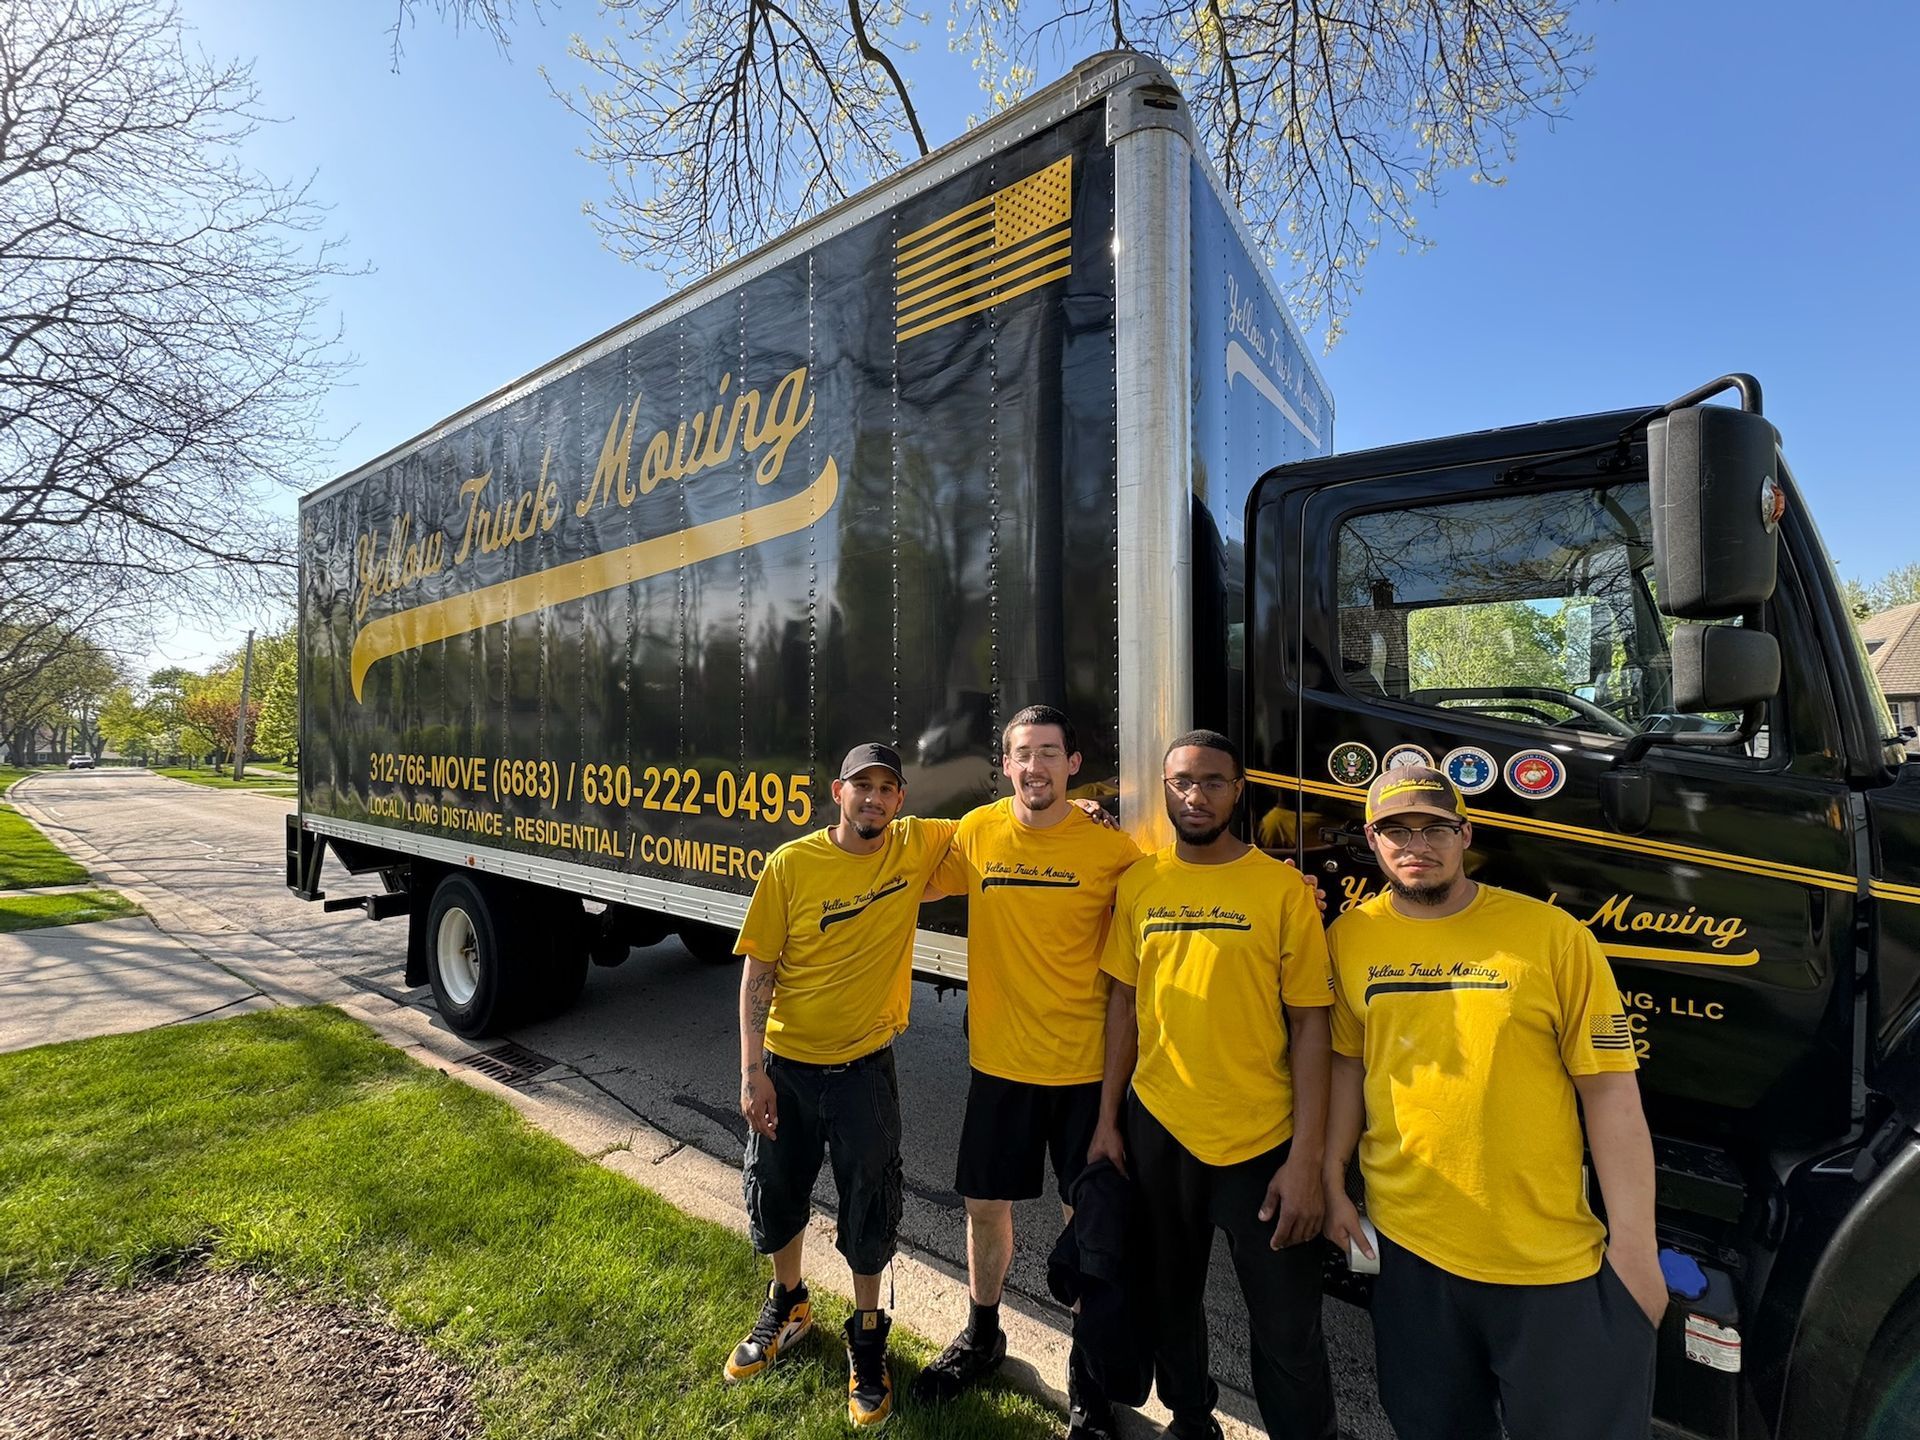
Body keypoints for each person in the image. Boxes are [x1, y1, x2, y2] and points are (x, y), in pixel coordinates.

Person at [1320, 766, 1662, 1440]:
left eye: (1434, 827)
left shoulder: (1554, 939)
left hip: (1551, 1265)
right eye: (1396, 830)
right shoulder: (1350, 939)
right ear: (1372, 840)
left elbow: (1613, 1097)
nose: (1416, 843)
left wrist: (1636, 1252)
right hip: (1413, 1261)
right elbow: (1346, 1068)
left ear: (1465, 834)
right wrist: (1333, 1182)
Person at [1090, 729, 1338, 1440]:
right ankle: (1193, 1420)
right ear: (1163, 789)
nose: (1194, 796)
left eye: (1211, 782)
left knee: (1288, 1332)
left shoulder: (1282, 890)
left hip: (1264, 1143)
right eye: (1179, 782)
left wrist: (1308, 1162)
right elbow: (1123, 1005)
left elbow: (1312, 1028)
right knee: (1171, 1303)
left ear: (1239, 790)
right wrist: (1109, 1119)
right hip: (1159, 1129)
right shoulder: (1141, 884)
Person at [910, 705, 1143, 1438]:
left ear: (1074, 765)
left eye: (1049, 753)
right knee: (985, 1210)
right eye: (1022, 754)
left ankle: (1088, 1378)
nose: (1035, 766)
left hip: (1083, 1074)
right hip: (1000, 1068)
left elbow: (1166, 917)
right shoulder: (977, 831)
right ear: (1004, 765)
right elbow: (906, 877)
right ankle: (983, 1336)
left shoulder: (1114, 851)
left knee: (1087, 1224)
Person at [728, 742, 959, 1429]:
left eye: (888, 789)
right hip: (788, 1069)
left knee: (869, 1203)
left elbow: (1002, 821)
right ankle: (789, 1303)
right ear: (838, 792)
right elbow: (757, 974)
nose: (875, 799)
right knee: (774, 1190)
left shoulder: (912, 850)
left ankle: (866, 1338)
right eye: (863, 787)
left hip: (864, 1071)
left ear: (900, 801)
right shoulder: (791, 865)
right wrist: (752, 1073)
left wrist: (1083, 806)